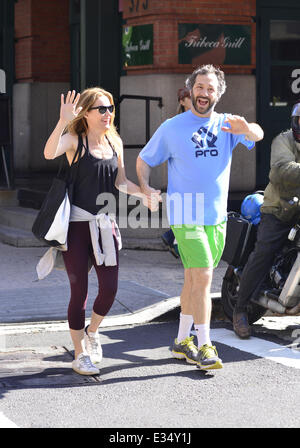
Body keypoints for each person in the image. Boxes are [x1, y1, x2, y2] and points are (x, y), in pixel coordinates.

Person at [136, 64, 264, 370]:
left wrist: (245, 128)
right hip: (185, 214)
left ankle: (181, 341)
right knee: (205, 276)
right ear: (190, 89)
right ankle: (205, 345)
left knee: (193, 279)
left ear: (218, 94)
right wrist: (145, 187)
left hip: (216, 217)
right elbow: (143, 160)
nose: (204, 93)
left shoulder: (226, 125)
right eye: (199, 87)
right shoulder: (172, 127)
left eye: (210, 89)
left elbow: (257, 134)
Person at [43, 88, 151, 375]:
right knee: (79, 292)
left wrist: (144, 194)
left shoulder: (115, 142)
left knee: (110, 289)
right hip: (77, 226)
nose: (108, 114)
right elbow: (48, 151)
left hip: (105, 225)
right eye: (101, 109)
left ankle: (93, 331)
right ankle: (80, 354)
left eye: (111, 108)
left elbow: (120, 182)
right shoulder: (73, 141)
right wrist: (63, 121)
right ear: (86, 114)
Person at [233, 101, 300, 338]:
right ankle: (240, 310)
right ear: (295, 122)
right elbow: (283, 169)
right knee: (265, 251)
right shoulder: (283, 141)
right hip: (279, 209)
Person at [161, 86, 192, 258]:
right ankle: (175, 242)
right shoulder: (176, 124)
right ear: (182, 101)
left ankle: (171, 238)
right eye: (189, 97)